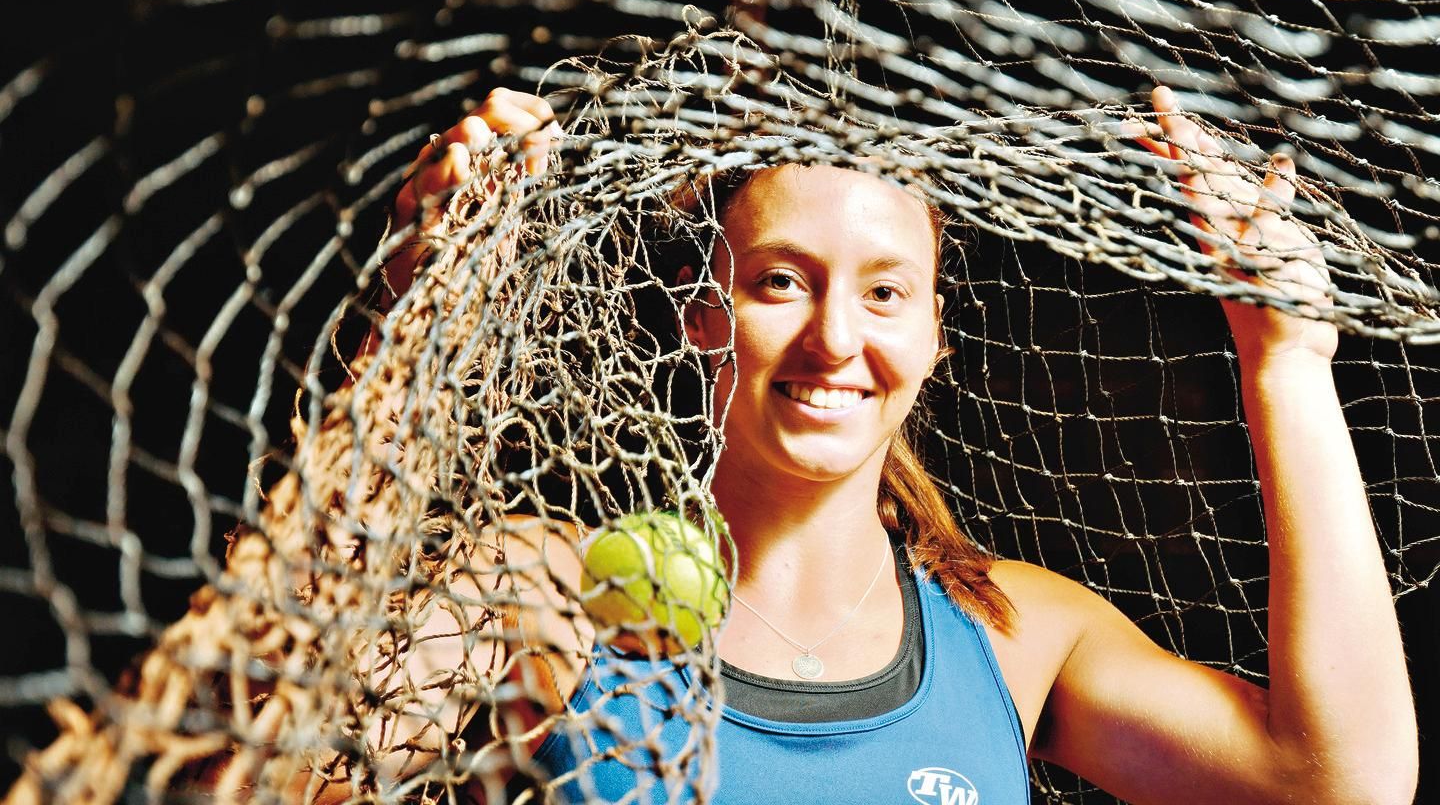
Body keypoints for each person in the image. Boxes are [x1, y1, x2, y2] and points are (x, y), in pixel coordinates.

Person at [329, 85, 1419, 805]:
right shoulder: (540, 596)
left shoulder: (1014, 635)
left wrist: (1287, 358)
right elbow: (241, 759)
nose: (837, 339)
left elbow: (1344, 782)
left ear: (936, 336)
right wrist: (417, 317)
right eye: (781, 281)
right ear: (703, 313)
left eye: (885, 292)